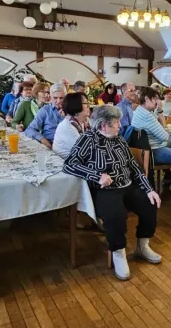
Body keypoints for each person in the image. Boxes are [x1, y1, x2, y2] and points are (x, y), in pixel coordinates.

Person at [63, 105, 161, 281]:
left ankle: (142, 246)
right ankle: (119, 253)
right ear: (103, 125)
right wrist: (96, 175)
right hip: (105, 190)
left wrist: (149, 189)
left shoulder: (119, 139)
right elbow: (69, 164)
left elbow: (133, 166)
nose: (120, 126)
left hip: (127, 185)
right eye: (116, 122)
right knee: (115, 214)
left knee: (150, 202)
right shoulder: (88, 139)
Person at [132, 87, 171, 195]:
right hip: (153, 151)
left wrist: (160, 111)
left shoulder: (140, 111)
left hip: (147, 148)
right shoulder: (147, 116)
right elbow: (165, 137)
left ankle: (169, 177)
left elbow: (162, 128)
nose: (158, 102)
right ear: (147, 99)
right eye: (155, 99)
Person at [25, 84, 65, 148]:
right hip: (49, 144)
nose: (58, 101)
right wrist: (43, 139)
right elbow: (29, 130)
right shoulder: (45, 110)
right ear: (50, 97)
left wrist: (66, 118)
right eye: (55, 98)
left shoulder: (71, 110)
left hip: (66, 146)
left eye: (61, 98)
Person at [53, 92, 90, 159]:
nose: (88, 106)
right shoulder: (67, 127)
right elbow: (85, 150)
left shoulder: (83, 121)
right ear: (75, 105)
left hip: (77, 160)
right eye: (86, 103)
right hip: (64, 163)